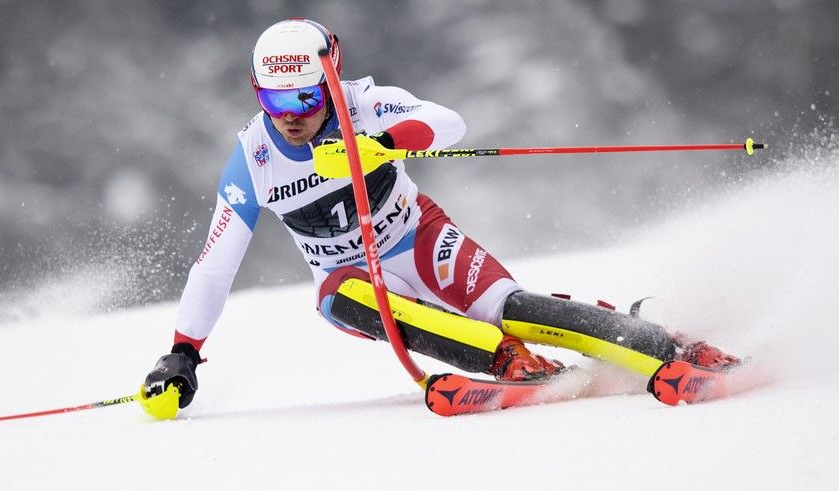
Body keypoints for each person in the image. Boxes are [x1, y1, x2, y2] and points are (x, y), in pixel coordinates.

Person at [142, 18, 740, 413]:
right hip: (355, 279)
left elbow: (448, 122)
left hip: (419, 238)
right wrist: (183, 353)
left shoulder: (363, 103)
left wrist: (386, 142)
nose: (290, 115)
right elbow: (214, 268)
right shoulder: (253, 159)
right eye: (274, 100)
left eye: (304, 97)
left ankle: (666, 346)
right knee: (338, 296)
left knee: (513, 309)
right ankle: (506, 362)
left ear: (328, 81)